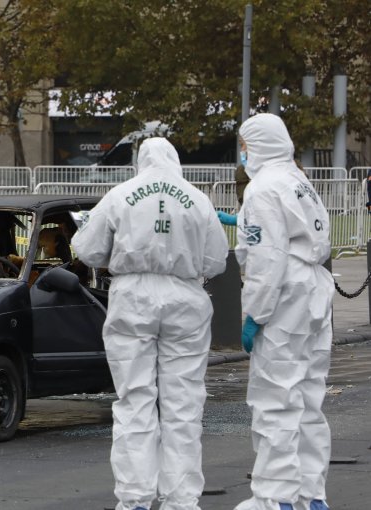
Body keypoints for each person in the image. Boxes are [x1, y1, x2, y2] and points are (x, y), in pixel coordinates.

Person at [71, 137, 229, 510]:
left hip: (133, 298)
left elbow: (89, 249)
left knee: (135, 401)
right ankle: (182, 500)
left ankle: (135, 499)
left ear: (140, 160)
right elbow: (217, 260)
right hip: (185, 298)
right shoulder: (197, 198)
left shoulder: (121, 194)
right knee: (184, 405)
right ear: (175, 159)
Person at [233, 114, 334, 510]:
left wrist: (255, 314)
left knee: (275, 398)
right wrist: (242, 223)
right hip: (313, 288)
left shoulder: (262, 187)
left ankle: (275, 498)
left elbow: (266, 259)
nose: (242, 153)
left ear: (255, 145)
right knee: (309, 399)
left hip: (285, 294)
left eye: (244, 145)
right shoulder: (298, 180)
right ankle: (311, 495)